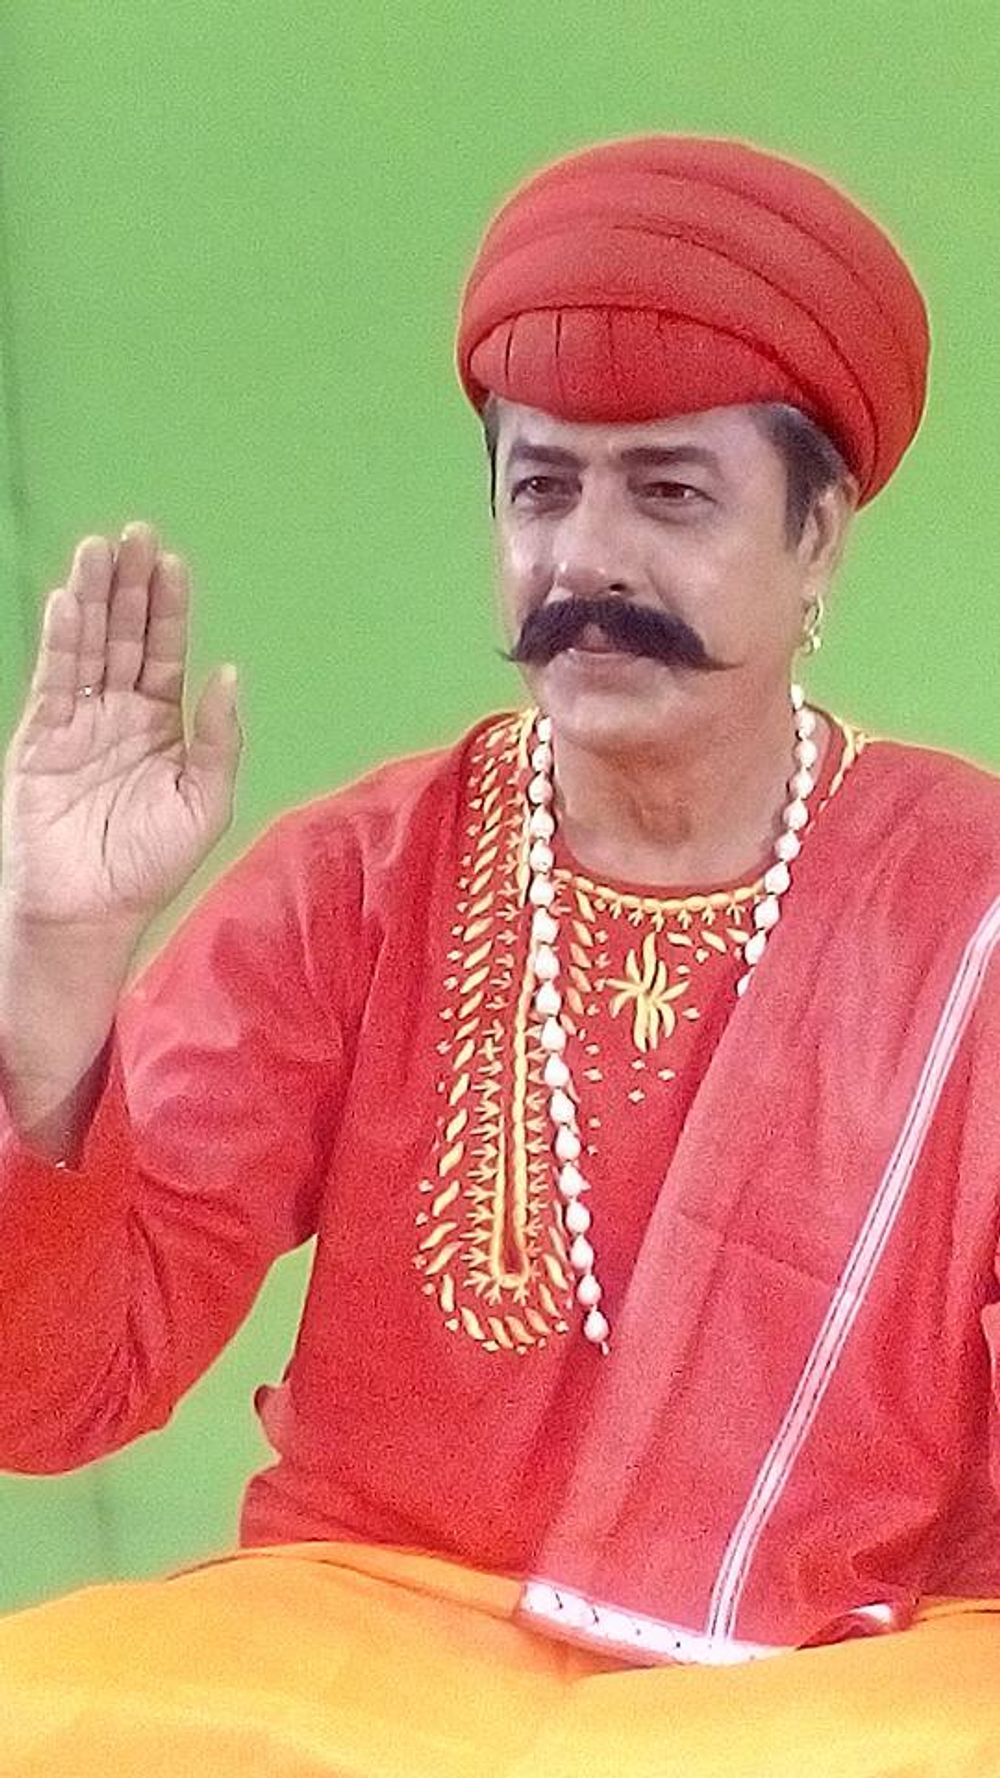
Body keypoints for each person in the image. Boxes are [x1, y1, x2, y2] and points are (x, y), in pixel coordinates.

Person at [0, 132, 998, 1776]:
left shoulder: (969, 903)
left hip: (837, 1674)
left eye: (669, 493)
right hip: (372, 1653)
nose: (585, 560)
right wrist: (57, 960)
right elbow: (55, 1389)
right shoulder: (358, 879)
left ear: (819, 533)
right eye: (542, 488)